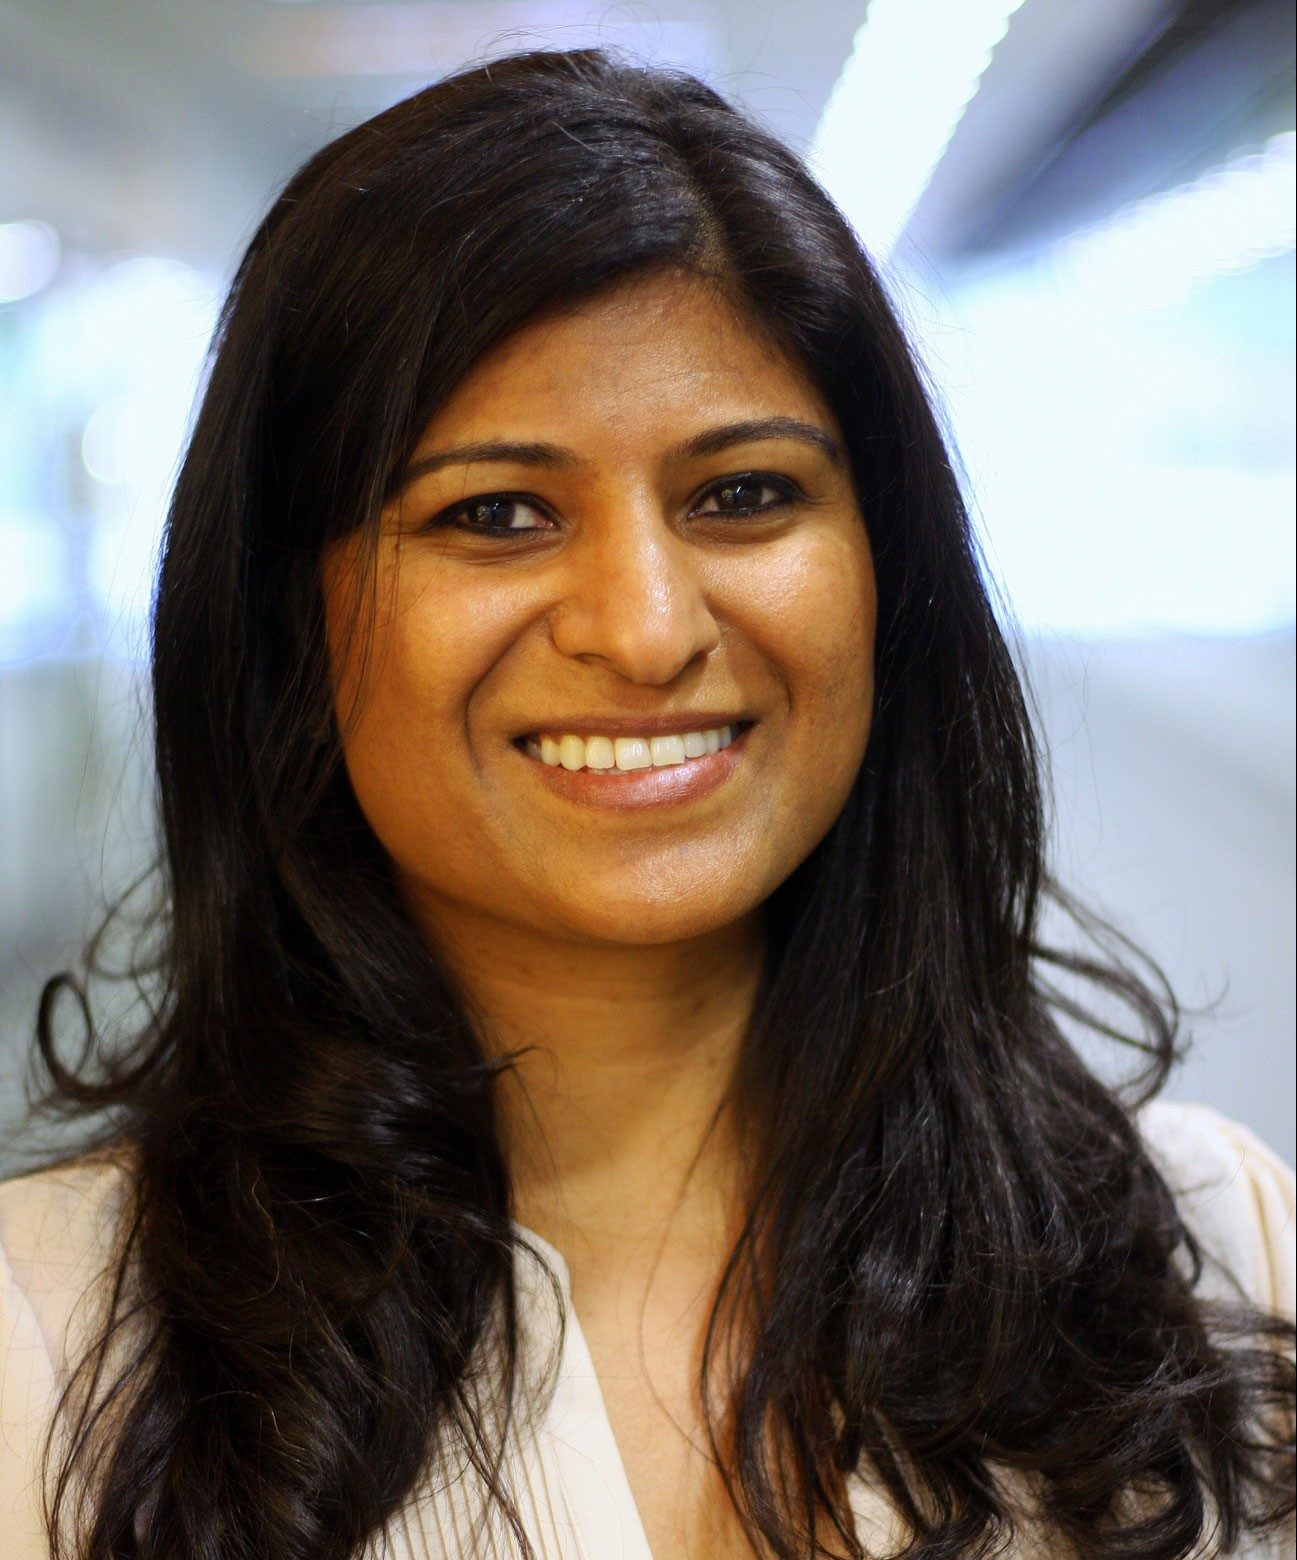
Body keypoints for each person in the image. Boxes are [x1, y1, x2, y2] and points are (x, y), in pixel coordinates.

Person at [1, 47, 1292, 1560]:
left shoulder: (1211, 1255)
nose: (647, 629)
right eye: (497, 513)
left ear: (885, 574)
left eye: (742, 494)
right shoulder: (50, 1344)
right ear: (290, 622)